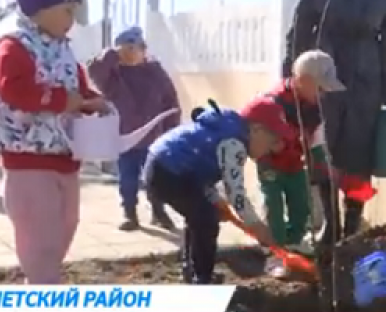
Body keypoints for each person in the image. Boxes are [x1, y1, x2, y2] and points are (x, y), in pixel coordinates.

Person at [283, 0, 386, 248]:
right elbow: (299, 27)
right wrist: (293, 75)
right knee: (322, 149)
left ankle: (352, 223)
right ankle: (330, 222)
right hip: (324, 75)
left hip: (367, 81)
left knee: (359, 156)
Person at [0, 0, 109, 285]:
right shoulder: (13, 45)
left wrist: (91, 100)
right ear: (39, 9)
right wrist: (58, 100)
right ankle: (44, 305)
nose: (73, 19)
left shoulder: (64, 50)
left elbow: (78, 88)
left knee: (65, 227)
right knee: (38, 237)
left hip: (65, 159)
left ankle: (40, 285)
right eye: (67, 10)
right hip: (27, 161)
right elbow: (11, 88)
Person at [143, 97, 290, 285]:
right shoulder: (235, 144)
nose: (270, 150)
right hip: (169, 171)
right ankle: (202, 279)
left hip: (161, 164)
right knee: (206, 221)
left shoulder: (228, 130)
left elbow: (203, 169)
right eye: (271, 142)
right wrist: (256, 225)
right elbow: (236, 193)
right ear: (256, 130)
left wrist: (215, 199)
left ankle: (193, 271)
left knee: (199, 215)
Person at [88, 26, 180, 232]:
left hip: (154, 137)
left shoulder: (154, 71)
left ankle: (158, 211)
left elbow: (170, 100)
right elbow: (94, 70)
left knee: (156, 178)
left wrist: (171, 129)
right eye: (127, 48)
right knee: (127, 178)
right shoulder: (113, 76)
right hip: (125, 136)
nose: (132, 52)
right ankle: (129, 213)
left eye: (136, 47)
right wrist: (113, 54)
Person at [259, 50, 345, 253]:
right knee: (274, 207)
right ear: (304, 80)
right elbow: (258, 134)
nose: (322, 94)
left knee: (301, 207)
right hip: (270, 163)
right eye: (319, 88)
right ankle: (275, 249)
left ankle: (294, 244)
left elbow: (316, 140)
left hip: (294, 163)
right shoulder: (274, 102)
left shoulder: (314, 107)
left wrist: (323, 164)